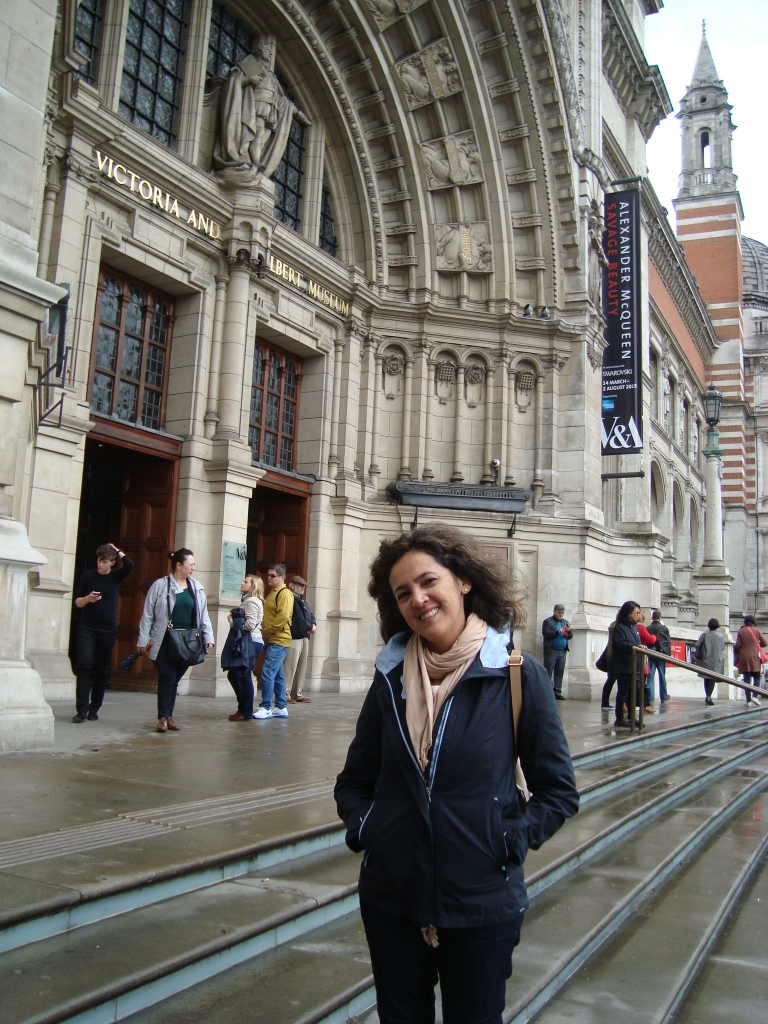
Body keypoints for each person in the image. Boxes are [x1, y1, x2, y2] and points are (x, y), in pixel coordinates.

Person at [335, 525, 579, 1024]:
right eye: (403, 593)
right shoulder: (389, 678)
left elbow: (558, 791)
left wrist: (506, 839)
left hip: (482, 902)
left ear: (463, 581)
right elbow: (354, 781)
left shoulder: (515, 673)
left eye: (428, 582)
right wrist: (370, 829)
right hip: (392, 900)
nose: (418, 600)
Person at [137, 549, 214, 732]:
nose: (193, 568)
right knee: (168, 676)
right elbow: (148, 614)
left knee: (174, 679)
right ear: (179, 565)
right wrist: (143, 639)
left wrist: (208, 636)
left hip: (188, 642)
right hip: (163, 639)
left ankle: (169, 715)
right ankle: (163, 717)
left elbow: (203, 615)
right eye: (191, 564)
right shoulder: (160, 585)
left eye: (194, 564)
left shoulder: (197, 588)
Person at [72, 543, 134, 723]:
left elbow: (130, 565)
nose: (101, 565)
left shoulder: (116, 577)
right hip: (87, 627)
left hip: (107, 628)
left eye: (105, 561)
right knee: (83, 665)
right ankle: (81, 710)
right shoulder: (88, 576)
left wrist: (117, 550)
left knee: (101, 669)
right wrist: (88, 599)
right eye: (99, 561)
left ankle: (94, 708)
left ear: (112, 563)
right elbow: (77, 602)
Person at [254, 563, 294, 720]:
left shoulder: (284, 593)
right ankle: (281, 706)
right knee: (277, 674)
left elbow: (283, 616)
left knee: (268, 671)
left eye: (272, 576)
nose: (268, 578)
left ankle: (266, 706)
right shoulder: (273, 593)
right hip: (273, 638)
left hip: (279, 638)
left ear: (282, 577)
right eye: (268, 575)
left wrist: (267, 630)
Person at [226, 575, 264, 721]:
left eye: (246, 581)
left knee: (243, 675)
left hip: (251, 642)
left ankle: (245, 710)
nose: (242, 583)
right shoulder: (248, 600)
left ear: (253, 586)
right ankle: (243, 708)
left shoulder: (252, 601)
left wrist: (232, 621)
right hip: (250, 641)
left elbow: (250, 624)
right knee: (236, 675)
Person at [609, 600, 643, 728]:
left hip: (634, 666)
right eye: (636, 612)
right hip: (623, 666)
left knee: (633, 693)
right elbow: (621, 644)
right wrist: (635, 647)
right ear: (629, 613)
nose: (638, 615)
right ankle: (619, 718)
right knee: (623, 692)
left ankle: (631, 716)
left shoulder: (634, 628)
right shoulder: (619, 627)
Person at [284, 574, 317, 704]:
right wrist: (308, 627)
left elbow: (310, 615)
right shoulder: (289, 598)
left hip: (304, 637)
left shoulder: (302, 600)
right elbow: (296, 620)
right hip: (295, 637)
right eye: (300, 585)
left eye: (303, 586)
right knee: (290, 666)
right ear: (292, 586)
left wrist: (313, 624)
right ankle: (285, 693)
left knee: (301, 666)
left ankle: (297, 693)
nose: (303, 588)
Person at [734, 614, 767, 706]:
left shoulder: (741, 630)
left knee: (747, 679)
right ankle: (755, 696)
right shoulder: (757, 630)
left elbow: (737, 645)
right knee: (756, 677)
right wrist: (756, 645)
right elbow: (765, 642)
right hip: (755, 656)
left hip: (744, 657)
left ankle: (748, 701)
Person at [541, 603, 571, 700]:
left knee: (559, 671)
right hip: (551, 650)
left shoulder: (565, 622)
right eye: (559, 613)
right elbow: (546, 633)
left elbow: (570, 636)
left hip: (562, 651)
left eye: (562, 613)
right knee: (548, 671)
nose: (561, 615)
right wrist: (559, 631)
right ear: (554, 612)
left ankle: (557, 691)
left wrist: (568, 632)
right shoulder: (547, 622)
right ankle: (547, 691)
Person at [694, 618, 725, 706]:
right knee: (712, 678)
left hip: (705, 658)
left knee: (706, 677)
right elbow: (722, 647)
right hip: (716, 660)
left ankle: (707, 695)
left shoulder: (704, 635)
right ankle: (709, 696)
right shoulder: (721, 636)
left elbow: (697, 645)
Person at [645, 609, 671, 704]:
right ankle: (663, 696)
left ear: (652, 618)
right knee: (662, 675)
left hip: (651, 653)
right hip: (661, 653)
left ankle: (650, 697)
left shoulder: (648, 628)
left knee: (651, 676)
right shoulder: (663, 628)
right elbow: (667, 642)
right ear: (660, 618)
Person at [635, 610, 658, 714]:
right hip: (641, 657)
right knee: (643, 683)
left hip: (636, 657)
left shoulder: (634, 627)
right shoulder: (640, 628)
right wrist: (655, 636)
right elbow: (651, 640)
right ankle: (646, 705)